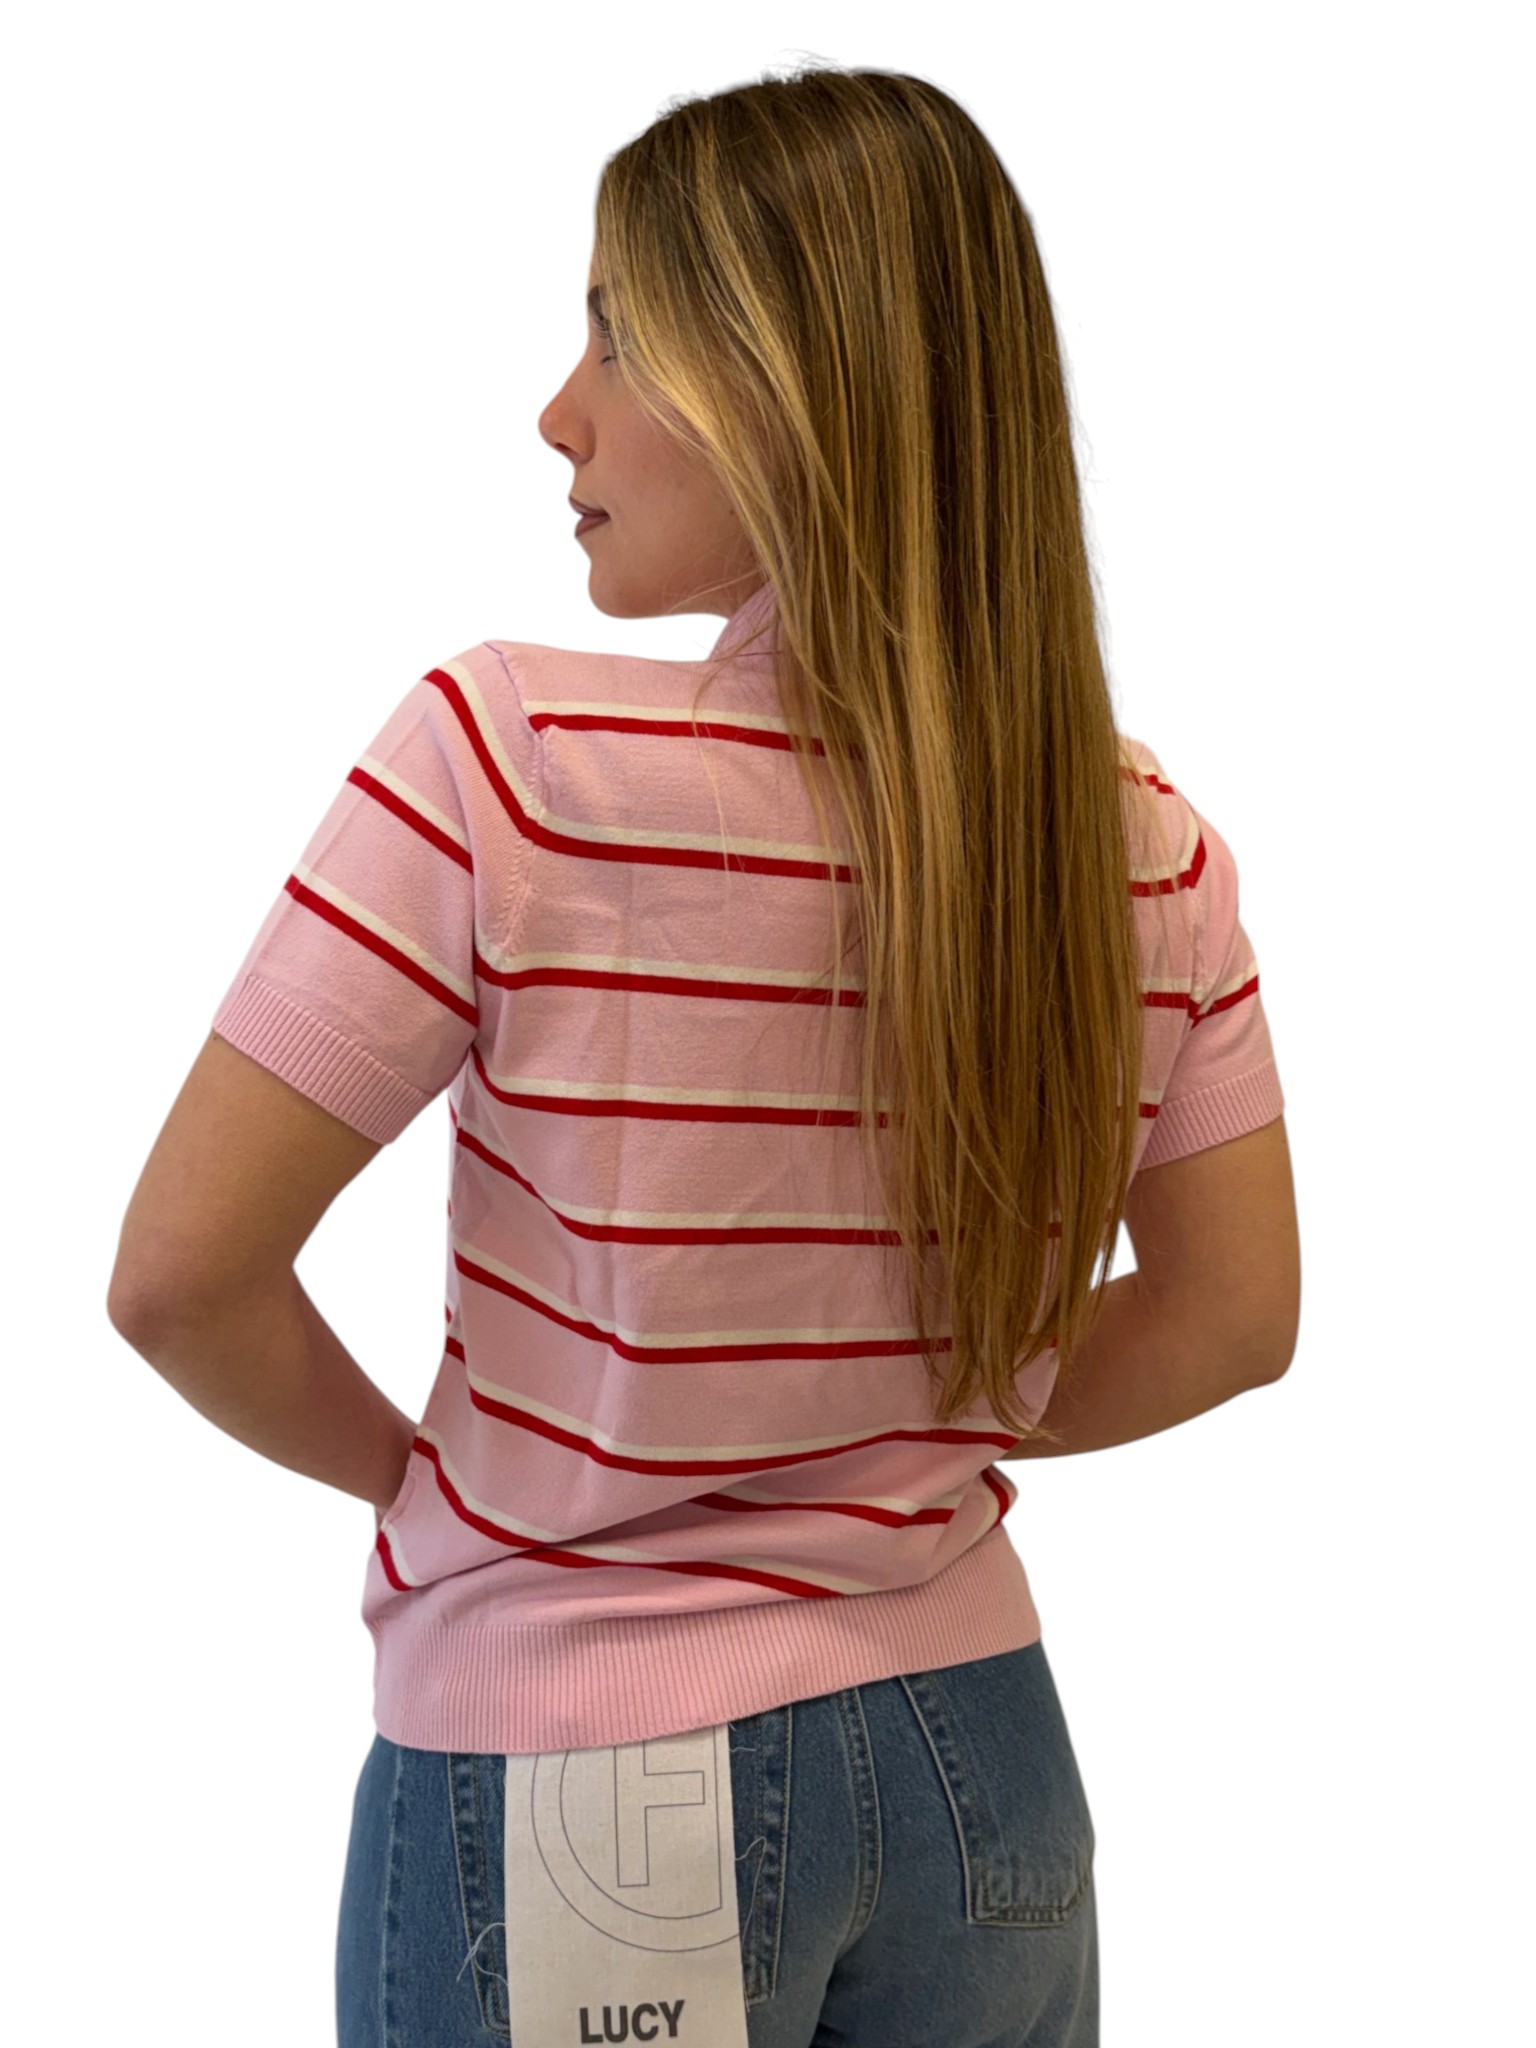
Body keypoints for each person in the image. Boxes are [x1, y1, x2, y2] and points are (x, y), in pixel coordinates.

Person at [110, 61, 1299, 2048]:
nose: (556, 410)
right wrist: (911, 1430)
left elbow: (178, 1277)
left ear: (790, 380)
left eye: (616, 333)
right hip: (984, 1768)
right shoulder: (1135, 841)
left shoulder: (511, 764)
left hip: (584, 1772)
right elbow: (1236, 1315)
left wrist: (454, 1494)